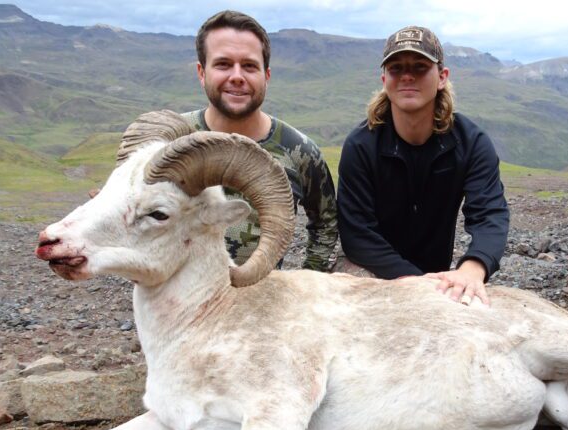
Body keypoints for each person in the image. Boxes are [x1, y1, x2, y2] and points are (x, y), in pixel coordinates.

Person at [336, 25, 509, 304]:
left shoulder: (471, 142)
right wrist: (412, 281)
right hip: (373, 269)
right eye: (396, 68)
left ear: (442, 77)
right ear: (384, 78)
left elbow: (490, 214)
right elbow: (357, 233)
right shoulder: (361, 146)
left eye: (420, 67)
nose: (407, 76)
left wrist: (472, 269)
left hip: (437, 275)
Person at [183, 10, 337, 271]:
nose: (237, 76)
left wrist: (308, 280)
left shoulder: (300, 152)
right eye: (223, 64)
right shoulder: (173, 141)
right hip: (178, 303)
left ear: (266, 75)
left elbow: (325, 222)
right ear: (201, 72)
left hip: (260, 303)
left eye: (249, 66)